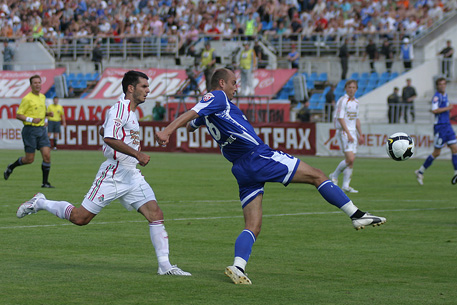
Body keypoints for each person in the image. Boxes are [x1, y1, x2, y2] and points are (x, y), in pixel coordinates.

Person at [154, 68, 386, 285]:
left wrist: (198, 122)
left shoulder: (215, 107)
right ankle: (356, 215)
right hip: (257, 156)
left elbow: (193, 121)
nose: (237, 88)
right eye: (234, 83)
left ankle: (238, 267)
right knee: (317, 175)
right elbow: (193, 112)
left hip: (241, 168)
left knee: (253, 225)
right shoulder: (217, 96)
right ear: (222, 83)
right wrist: (167, 130)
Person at [16, 71, 191, 276]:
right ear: (131, 88)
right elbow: (109, 138)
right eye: (144, 86)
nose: (148, 90)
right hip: (114, 173)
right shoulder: (120, 108)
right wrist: (137, 154)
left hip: (131, 175)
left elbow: (105, 131)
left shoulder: (130, 112)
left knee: (155, 214)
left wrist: (120, 142)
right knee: (80, 218)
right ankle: (40, 202)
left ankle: (165, 266)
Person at [4, 75, 55, 188]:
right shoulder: (27, 98)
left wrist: (47, 115)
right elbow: (18, 114)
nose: (37, 84)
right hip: (30, 130)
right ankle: (11, 167)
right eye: (35, 83)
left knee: (47, 155)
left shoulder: (42, 97)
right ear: (31, 85)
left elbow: (40, 112)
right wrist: (31, 119)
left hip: (41, 130)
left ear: (41, 84)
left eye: (39, 82)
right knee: (29, 159)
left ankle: (45, 183)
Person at [415, 77, 457, 185]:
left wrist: (447, 114)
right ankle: (420, 171)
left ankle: (456, 173)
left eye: (444, 84)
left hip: (447, 126)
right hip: (440, 127)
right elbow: (434, 110)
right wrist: (448, 108)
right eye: (440, 84)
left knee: (455, 148)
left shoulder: (445, 95)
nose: (442, 86)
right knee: (437, 152)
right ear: (437, 86)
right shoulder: (436, 97)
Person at [329, 80, 364, 193]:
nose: (352, 89)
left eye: (354, 87)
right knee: (350, 158)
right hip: (345, 132)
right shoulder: (343, 101)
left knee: (351, 161)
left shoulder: (356, 102)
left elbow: (356, 119)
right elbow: (340, 118)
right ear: (346, 88)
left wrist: (360, 134)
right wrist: (348, 133)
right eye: (350, 87)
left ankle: (345, 185)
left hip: (353, 132)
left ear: (356, 89)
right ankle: (334, 175)